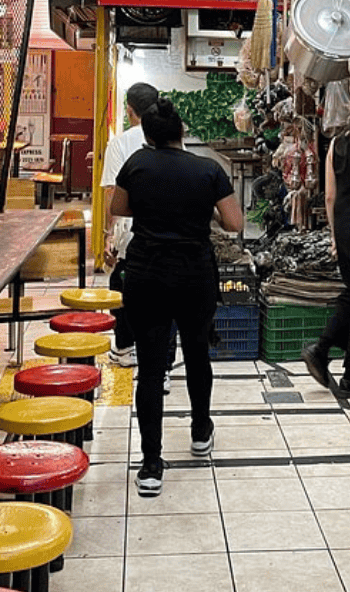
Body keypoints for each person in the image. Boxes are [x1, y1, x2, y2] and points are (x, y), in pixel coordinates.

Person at [111, 97, 244, 497]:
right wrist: (205, 213)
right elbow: (235, 223)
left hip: (146, 275)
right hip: (193, 275)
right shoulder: (208, 169)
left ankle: (151, 466)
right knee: (198, 353)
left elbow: (118, 210)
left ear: (147, 135)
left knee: (150, 369)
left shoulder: (135, 164)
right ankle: (200, 431)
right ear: (181, 132)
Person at [301, 101, 350, 399]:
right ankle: (339, 364)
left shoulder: (337, 142)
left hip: (346, 226)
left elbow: (329, 196)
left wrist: (335, 236)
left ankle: (331, 357)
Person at [101, 83, 157, 370]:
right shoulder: (170, 140)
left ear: (130, 110)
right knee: (156, 292)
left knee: (120, 287)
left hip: (130, 230)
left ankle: (124, 348)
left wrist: (108, 234)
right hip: (162, 229)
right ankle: (156, 357)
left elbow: (112, 191)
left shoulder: (120, 143)